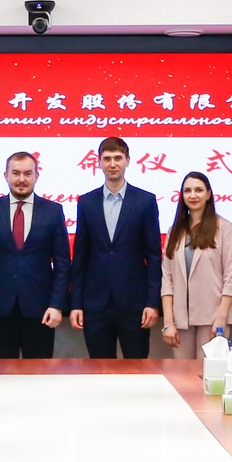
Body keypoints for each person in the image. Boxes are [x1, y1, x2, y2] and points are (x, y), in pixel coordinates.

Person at [0, 152, 71, 358]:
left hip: (41, 311)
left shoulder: (53, 211)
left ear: (36, 176)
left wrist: (56, 305)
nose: (22, 179)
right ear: (6, 175)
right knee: (1, 373)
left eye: (28, 173)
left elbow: (62, 264)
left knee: (39, 373)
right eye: (16, 173)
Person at [70, 137, 162, 359]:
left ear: (127, 161)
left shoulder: (145, 201)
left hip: (134, 304)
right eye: (107, 158)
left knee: (137, 369)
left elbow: (153, 256)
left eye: (118, 158)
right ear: (99, 162)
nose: (113, 164)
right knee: (100, 370)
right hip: (95, 304)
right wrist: (76, 304)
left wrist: (152, 302)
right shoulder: (86, 202)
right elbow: (80, 256)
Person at [161, 172, 232, 359]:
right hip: (181, 320)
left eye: (199, 190)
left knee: (208, 373)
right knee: (182, 373)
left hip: (212, 317)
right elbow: (167, 279)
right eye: (187, 191)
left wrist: (221, 318)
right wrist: (168, 322)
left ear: (209, 194)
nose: (193, 195)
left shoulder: (224, 228)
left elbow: (230, 277)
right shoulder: (175, 231)